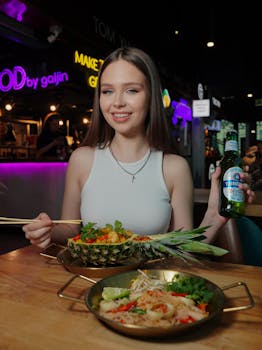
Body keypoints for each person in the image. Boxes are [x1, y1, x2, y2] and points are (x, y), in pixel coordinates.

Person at [22, 47, 255, 249]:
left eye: (131, 90)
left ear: (151, 96)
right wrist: (48, 231)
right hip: (92, 285)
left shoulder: (174, 167)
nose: (117, 102)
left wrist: (215, 215)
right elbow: (70, 230)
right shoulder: (82, 160)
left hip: (153, 294)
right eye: (107, 91)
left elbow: (184, 250)